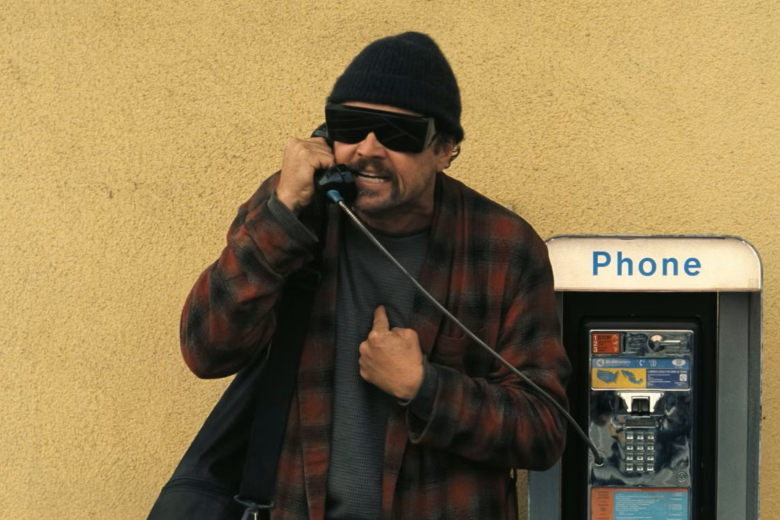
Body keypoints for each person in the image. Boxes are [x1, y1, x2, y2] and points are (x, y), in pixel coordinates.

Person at [180, 32, 571, 520]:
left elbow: (544, 429)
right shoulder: (293, 211)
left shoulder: (504, 248)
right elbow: (205, 348)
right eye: (349, 126)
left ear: (445, 148)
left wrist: (426, 387)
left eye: (398, 133)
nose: (368, 148)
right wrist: (282, 213)